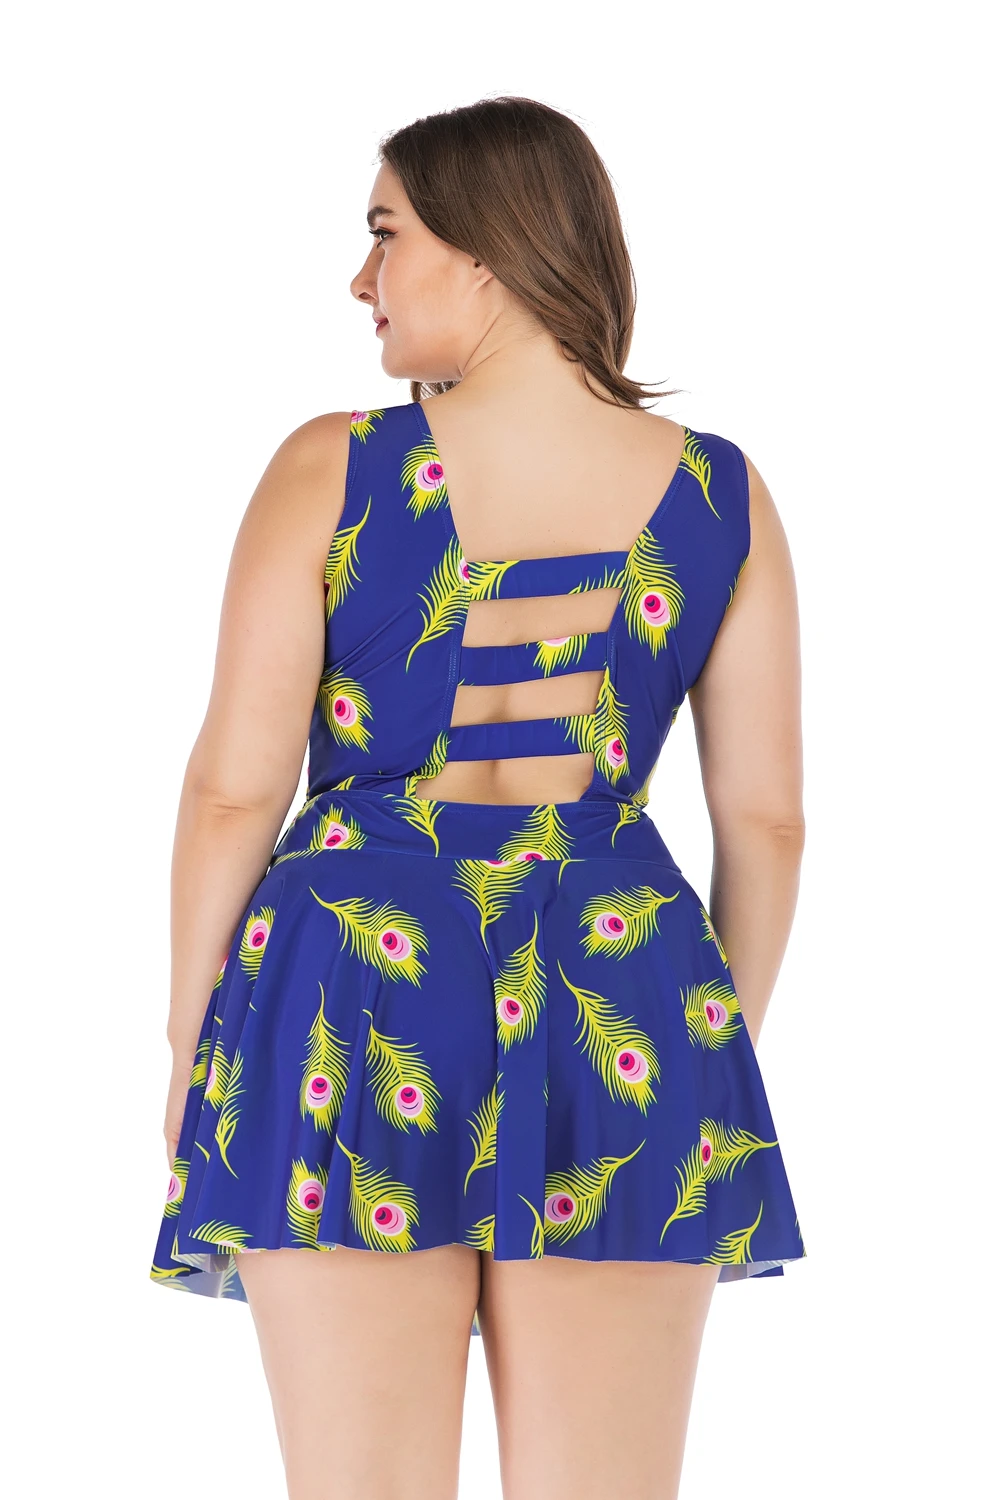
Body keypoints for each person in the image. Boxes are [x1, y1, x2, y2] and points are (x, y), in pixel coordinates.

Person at [149, 95, 806, 1500]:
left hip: (354, 984)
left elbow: (233, 792)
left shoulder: (337, 467)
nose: (362, 278)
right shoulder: (720, 494)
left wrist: (195, 1037)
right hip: (619, 983)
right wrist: (706, 1046)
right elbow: (767, 819)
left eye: (385, 234)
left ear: (489, 253)